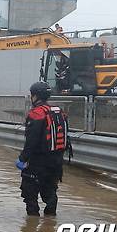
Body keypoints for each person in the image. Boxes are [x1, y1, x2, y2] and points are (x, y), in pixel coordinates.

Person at [15, 82, 70, 216]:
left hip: (38, 162)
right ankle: (50, 226)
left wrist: (22, 159)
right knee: (50, 193)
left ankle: (32, 229)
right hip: (56, 162)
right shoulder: (59, 112)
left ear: (35, 96)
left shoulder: (36, 114)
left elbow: (31, 141)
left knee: (29, 194)